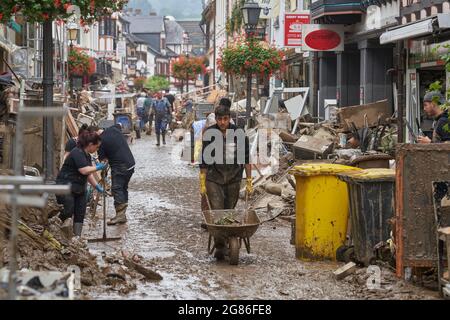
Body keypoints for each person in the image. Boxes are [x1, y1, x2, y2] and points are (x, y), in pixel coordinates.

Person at [199, 102, 253, 259]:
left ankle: (230, 239)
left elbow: (246, 159)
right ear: (215, 119)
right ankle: (220, 246)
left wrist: (249, 180)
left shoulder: (239, 133)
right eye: (220, 119)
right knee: (217, 212)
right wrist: (202, 181)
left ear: (229, 118)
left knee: (229, 211)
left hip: (234, 177)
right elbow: (203, 160)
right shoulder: (210, 133)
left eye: (225, 119)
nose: (223, 122)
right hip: (213, 178)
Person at [56, 131, 106, 237]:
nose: (97, 150)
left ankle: (77, 237)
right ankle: (59, 232)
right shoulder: (76, 152)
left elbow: (88, 174)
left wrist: (96, 186)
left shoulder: (86, 156)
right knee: (68, 210)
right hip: (66, 186)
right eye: (97, 147)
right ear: (90, 144)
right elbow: (84, 170)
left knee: (80, 212)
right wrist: (98, 167)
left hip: (79, 187)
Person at [92, 123, 136, 225]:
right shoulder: (113, 129)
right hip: (130, 164)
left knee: (117, 188)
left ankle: (120, 216)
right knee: (123, 188)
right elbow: (119, 125)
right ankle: (122, 215)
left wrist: (103, 169)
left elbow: (103, 161)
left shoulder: (101, 143)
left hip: (120, 166)